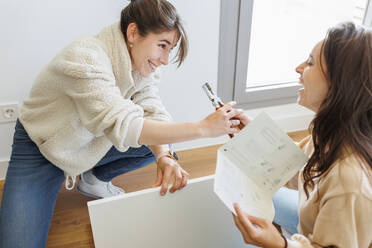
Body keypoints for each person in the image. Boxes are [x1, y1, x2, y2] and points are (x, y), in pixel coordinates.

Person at [0, 0, 248, 247]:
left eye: (169, 49)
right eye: (162, 45)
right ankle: (80, 172)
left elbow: (154, 112)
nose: (164, 60)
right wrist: (203, 128)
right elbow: (125, 124)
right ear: (132, 33)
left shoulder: (141, 61)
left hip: (89, 139)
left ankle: (92, 178)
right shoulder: (85, 57)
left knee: (163, 142)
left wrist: (165, 158)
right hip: (42, 148)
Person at [232, 22, 372, 247]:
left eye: (309, 62)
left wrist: (280, 244)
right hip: (319, 221)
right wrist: (251, 135)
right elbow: (292, 166)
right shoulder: (329, 134)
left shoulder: (349, 181)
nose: (298, 68)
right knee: (248, 188)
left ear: (339, 84)